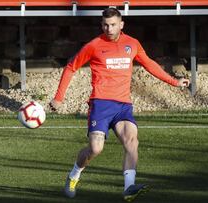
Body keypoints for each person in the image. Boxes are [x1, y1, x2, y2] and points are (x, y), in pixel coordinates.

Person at [49, 7, 190, 202]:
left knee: (132, 141)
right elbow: (71, 67)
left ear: (121, 24)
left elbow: (149, 64)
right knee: (95, 149)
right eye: (106, 25)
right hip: (101, 104)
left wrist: (174, 82)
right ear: (101, 25)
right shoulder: (94, 45)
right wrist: (59, 97)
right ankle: (74, 175)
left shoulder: (132, 44)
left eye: (113, 24)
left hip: (123, 105)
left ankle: (128, 187)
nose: (109, 28)